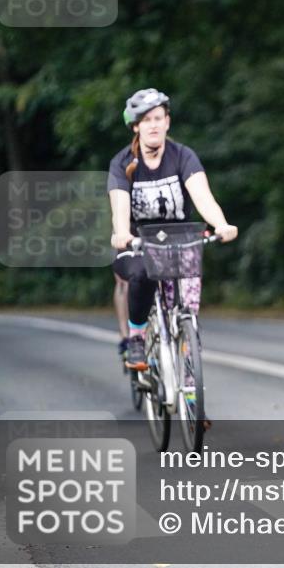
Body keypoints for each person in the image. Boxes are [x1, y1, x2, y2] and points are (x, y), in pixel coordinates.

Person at [107, 88, 237, 371]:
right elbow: (120, 208)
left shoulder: (183, 156)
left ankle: (190, 395)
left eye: (158, 118)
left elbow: (203, 196)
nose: (153, 124)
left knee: (188, 313)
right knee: (142, 274)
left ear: (167, 122)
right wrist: (121, 233)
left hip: (180, 242)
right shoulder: (122, 163)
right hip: (137, 243)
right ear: (136, 126)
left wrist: (221, 224)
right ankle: (137, 338)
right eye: (146, 120)